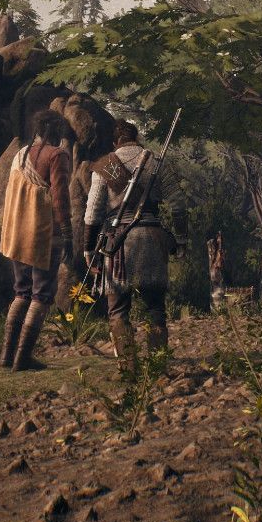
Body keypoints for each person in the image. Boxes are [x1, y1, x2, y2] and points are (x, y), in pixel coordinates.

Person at [84, 120, 172, 360]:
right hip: (153, 237)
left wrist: (89, 251)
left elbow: (92, 214)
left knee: (118, 310)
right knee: (156, 308)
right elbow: (177, 204)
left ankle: (128, 365)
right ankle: (158, 363)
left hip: (119, 241)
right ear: (137, 138)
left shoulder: (105, 165)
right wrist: (180, 242)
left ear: (116, 142)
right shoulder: (156, 162)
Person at [0, 108, 73, 370]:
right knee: (41, 295)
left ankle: (6, 356)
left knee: (21, 291)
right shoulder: (57, 156)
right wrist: (67, 233)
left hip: (18, 235)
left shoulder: (19, 155)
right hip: (43, 235)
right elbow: (61, 199)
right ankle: (23, 357)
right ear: (56, 131)